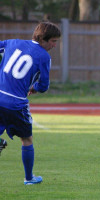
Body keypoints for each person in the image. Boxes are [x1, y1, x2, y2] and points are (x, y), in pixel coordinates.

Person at [0, 21, 61, 185]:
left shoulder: (13, 42)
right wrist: (34, 88)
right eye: (53, 41)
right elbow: (44, 86)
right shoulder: (44, 57)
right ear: (43, 39)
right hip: (16, 103)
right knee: (26, 139)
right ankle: (29, 178)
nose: (55, 45)